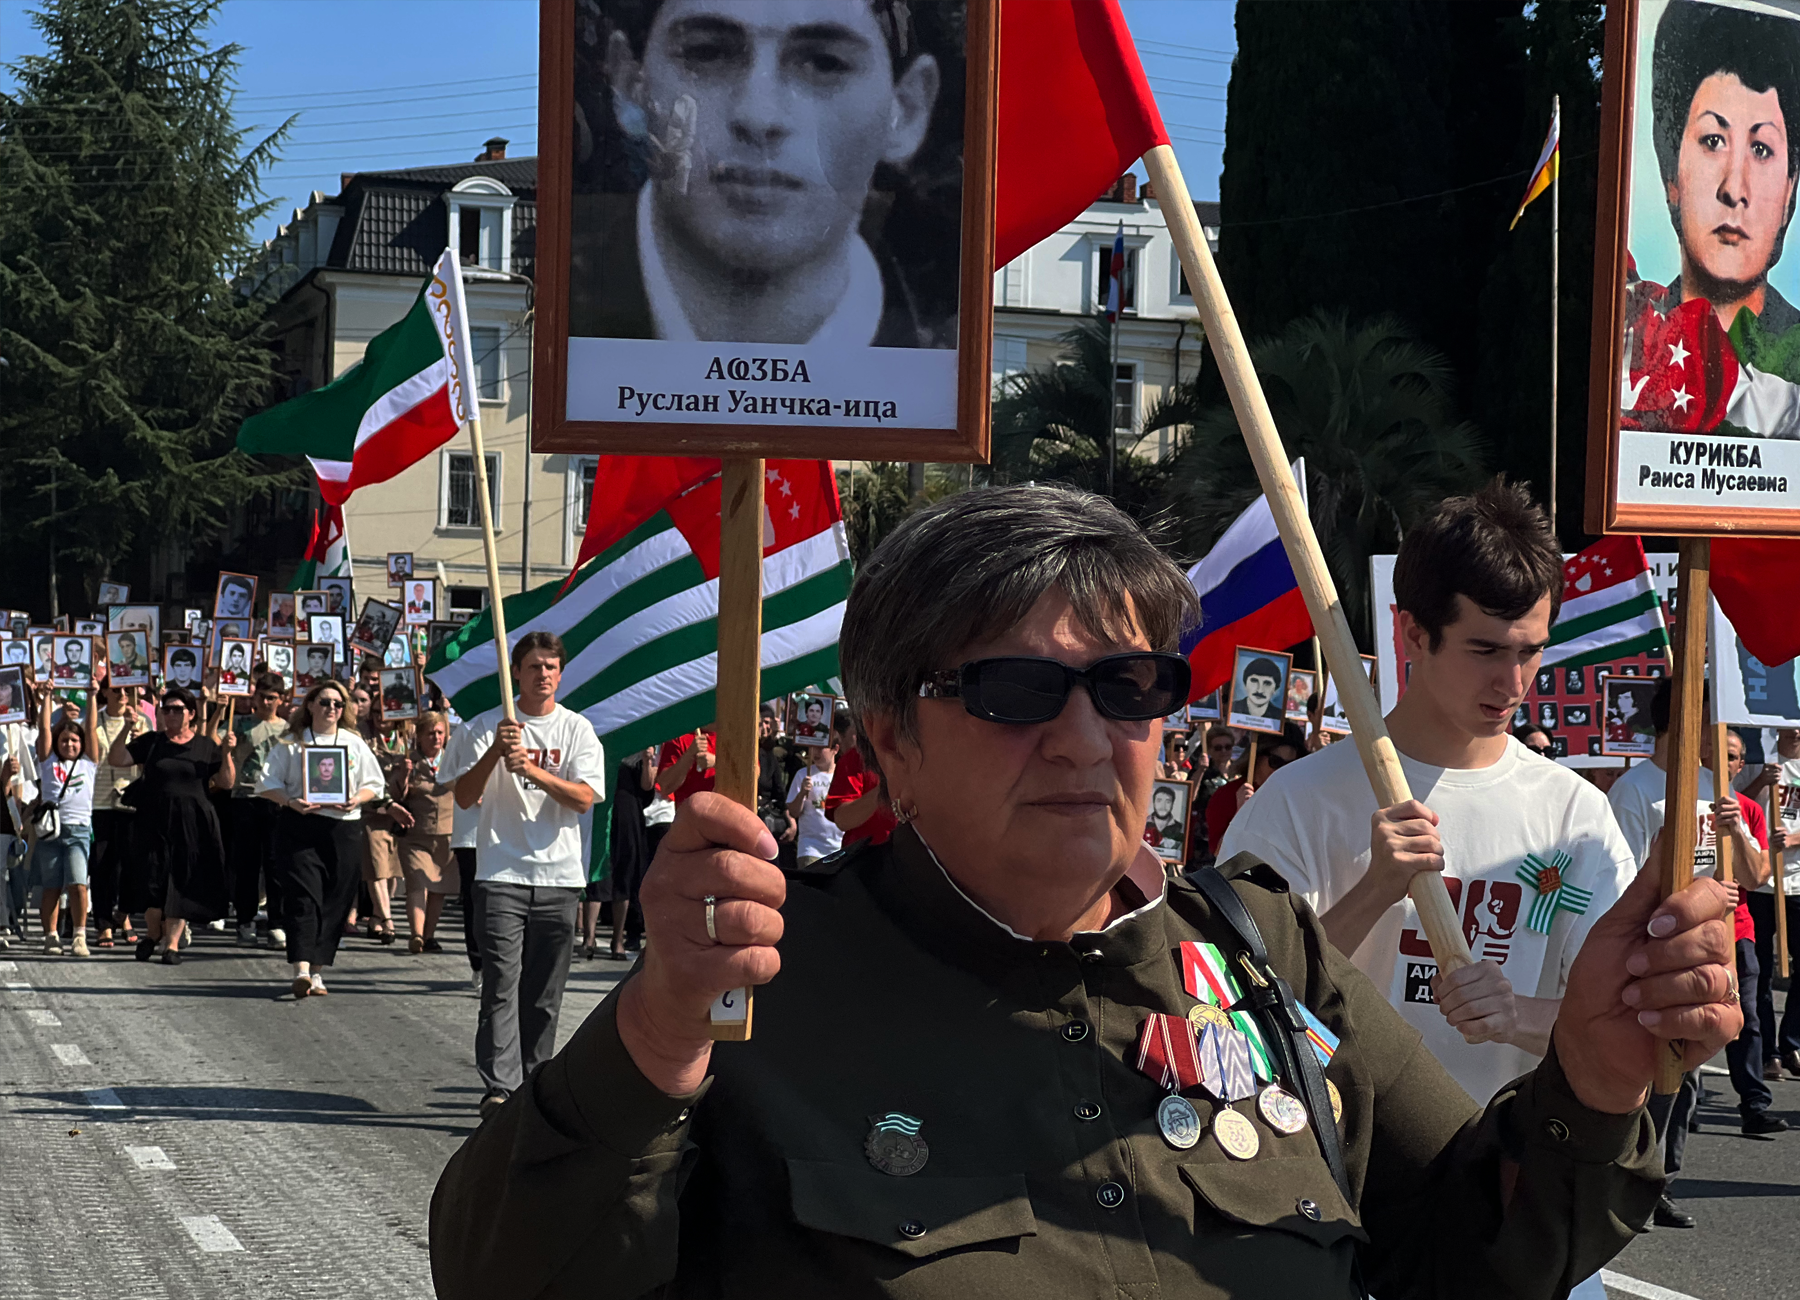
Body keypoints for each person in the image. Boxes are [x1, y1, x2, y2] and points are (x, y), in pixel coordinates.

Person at [429, 483, 1741, 1297]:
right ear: (889, 737)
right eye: (1012, 693)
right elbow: (506, 1276)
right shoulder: (762, 985)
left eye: (1127, 690)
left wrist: (1598, 1077)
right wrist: (659, 1028)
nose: (1079, 738)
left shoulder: (1266, 951)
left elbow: (1473, 1258)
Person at [1219, 481, 1641, 1114]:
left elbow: (1621, 1025)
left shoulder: (1575, 816)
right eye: (1485, 650)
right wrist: (1372, 892)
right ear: (1413, 634)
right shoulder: (1298, 802)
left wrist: (1516, 1015)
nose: (1513, 682)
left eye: (1531, 652)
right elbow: (1230, 1010)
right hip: (1335, 1174)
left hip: (1506, 1169)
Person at [573, 0, 956, 350]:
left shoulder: (944, 356)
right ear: (628, 83)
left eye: (824, 62)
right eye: (706, 52)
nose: (759, 116)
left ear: (905, 110)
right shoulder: (556, 297)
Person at [447, 632, 605, 1119]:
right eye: (534, 666)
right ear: (516, 672)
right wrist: (497, 752)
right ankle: (500, 1088)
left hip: (559, 878)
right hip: (501, 873)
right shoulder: (483, 728)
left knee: (544, 996)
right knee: (500, 984)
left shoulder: (577, 730)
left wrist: (533, 771)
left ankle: (534, 1086)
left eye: (551, 667)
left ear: (560, 673)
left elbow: (583, 798)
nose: (543, 674)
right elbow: (464, 796)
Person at [1624, 0, 1800, 436]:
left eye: (1761, 149)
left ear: (1789, 190)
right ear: (1671, 173)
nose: (1733, 189)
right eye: (1713, 140)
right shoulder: (1629, 335)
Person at [257, 679, 387, 997]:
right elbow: (265, 782)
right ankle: (301, 968)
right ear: (311, 705)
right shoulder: (291, 743)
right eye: (325, 702)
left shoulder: (354, 743)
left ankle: (318, 971)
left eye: (338, 704)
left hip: (342, 830)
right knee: (303, 897)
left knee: (335, 899)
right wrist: (290, 801)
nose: (332, 708)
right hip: (300, 827)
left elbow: (375, 783)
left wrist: (357, 799)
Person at [108, 682, 232, 966]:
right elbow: (117, 758)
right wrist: (127, 728)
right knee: (153, 883)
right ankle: (153, 933)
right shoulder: (152, 742)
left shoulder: (204, 745)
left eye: (177, 710)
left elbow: (225, 782)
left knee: (181, 882)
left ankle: (172, 945)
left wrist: (225, 753)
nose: (171, 715)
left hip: (192, 823)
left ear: (191, 713)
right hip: (153, 821)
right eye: (166, 709)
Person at [1740, 725, 1800, 1079]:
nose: (1796, 733)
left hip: (1797, 882)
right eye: (1790, 727)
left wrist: (1793, 838)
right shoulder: (1759, 765)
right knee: (1759, 970)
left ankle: (1790, 1040)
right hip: (1762, 883)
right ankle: (1768, 1053)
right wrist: (1762, 780)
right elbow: (1736, 806)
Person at [29, 681, 102, 955]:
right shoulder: (48, 761)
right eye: (64, 740)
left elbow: (92, 728)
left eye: (74, 740)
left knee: (78, 884)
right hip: (50, 831)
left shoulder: (88, 763)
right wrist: (47, 698)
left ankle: (80, 936)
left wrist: (93, 697)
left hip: (78, 829)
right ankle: (51, 936)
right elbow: (45, 728)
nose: (69, 744)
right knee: (51, 886)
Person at [227, 674, 288, 948]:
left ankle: (277, 922)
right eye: (262, 696)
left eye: (272, 697)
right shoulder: (239, 725)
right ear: (254, 698)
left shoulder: (288, 730)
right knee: (247, 864)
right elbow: (224, 752)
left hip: (277, 800)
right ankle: (245, 920)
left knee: (276, 864)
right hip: (245, 796)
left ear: (280, 700)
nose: (266, 702)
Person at [389, 710, 456, 955]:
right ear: (419, 736)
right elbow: (396, 796)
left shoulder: (452, 760)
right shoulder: (408, 760)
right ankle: (416, 934)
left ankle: (429, 936)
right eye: (430, 733)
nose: (436, 737)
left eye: (440, 732)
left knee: (438, 887)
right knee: (417, 884)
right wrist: (403, 775)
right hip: (416, 834)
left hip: (447, 834)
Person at [88, 678, 146, 950]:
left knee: (131, 865)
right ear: (105, 693)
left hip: (130, 800)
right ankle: (103, 923)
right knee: (101, 866)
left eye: (126, 690)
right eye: (116, 690)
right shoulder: (95, 720)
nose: (122, 695)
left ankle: (122, 915)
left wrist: (138, 739)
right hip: (100, 800)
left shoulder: (142, 721)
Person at [595, 746, 658, 960]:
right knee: (599, 874)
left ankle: (618, 939)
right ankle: (588, 935)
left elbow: (647, 790)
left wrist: (647, 760)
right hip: (603, 810)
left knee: (626, 874)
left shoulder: (640, 752)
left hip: (629, 814)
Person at [1205, 723, 1304, 854]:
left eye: (1290, 766)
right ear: (1257, 757)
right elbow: (1220, 853)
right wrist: (1241, 814)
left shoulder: (1299, 798)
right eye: (1276, 762)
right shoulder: (1226, 796)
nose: (1282, 771)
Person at [785, 720, 842, 869]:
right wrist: (802, 793)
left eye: (821, 747)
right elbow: (793, 811)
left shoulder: (843, 775)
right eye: (813, 747)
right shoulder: (803, 775)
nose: (815, 752)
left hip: (839, 847)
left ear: (835, 749)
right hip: (811, 847)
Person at [1231, 655, 1282, 721]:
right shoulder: (1231, 708)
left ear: (1275, 689)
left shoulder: (1280, 717)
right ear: (1245, 684)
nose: (1260, 690)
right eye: (1254, 681)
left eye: (1267, 683)